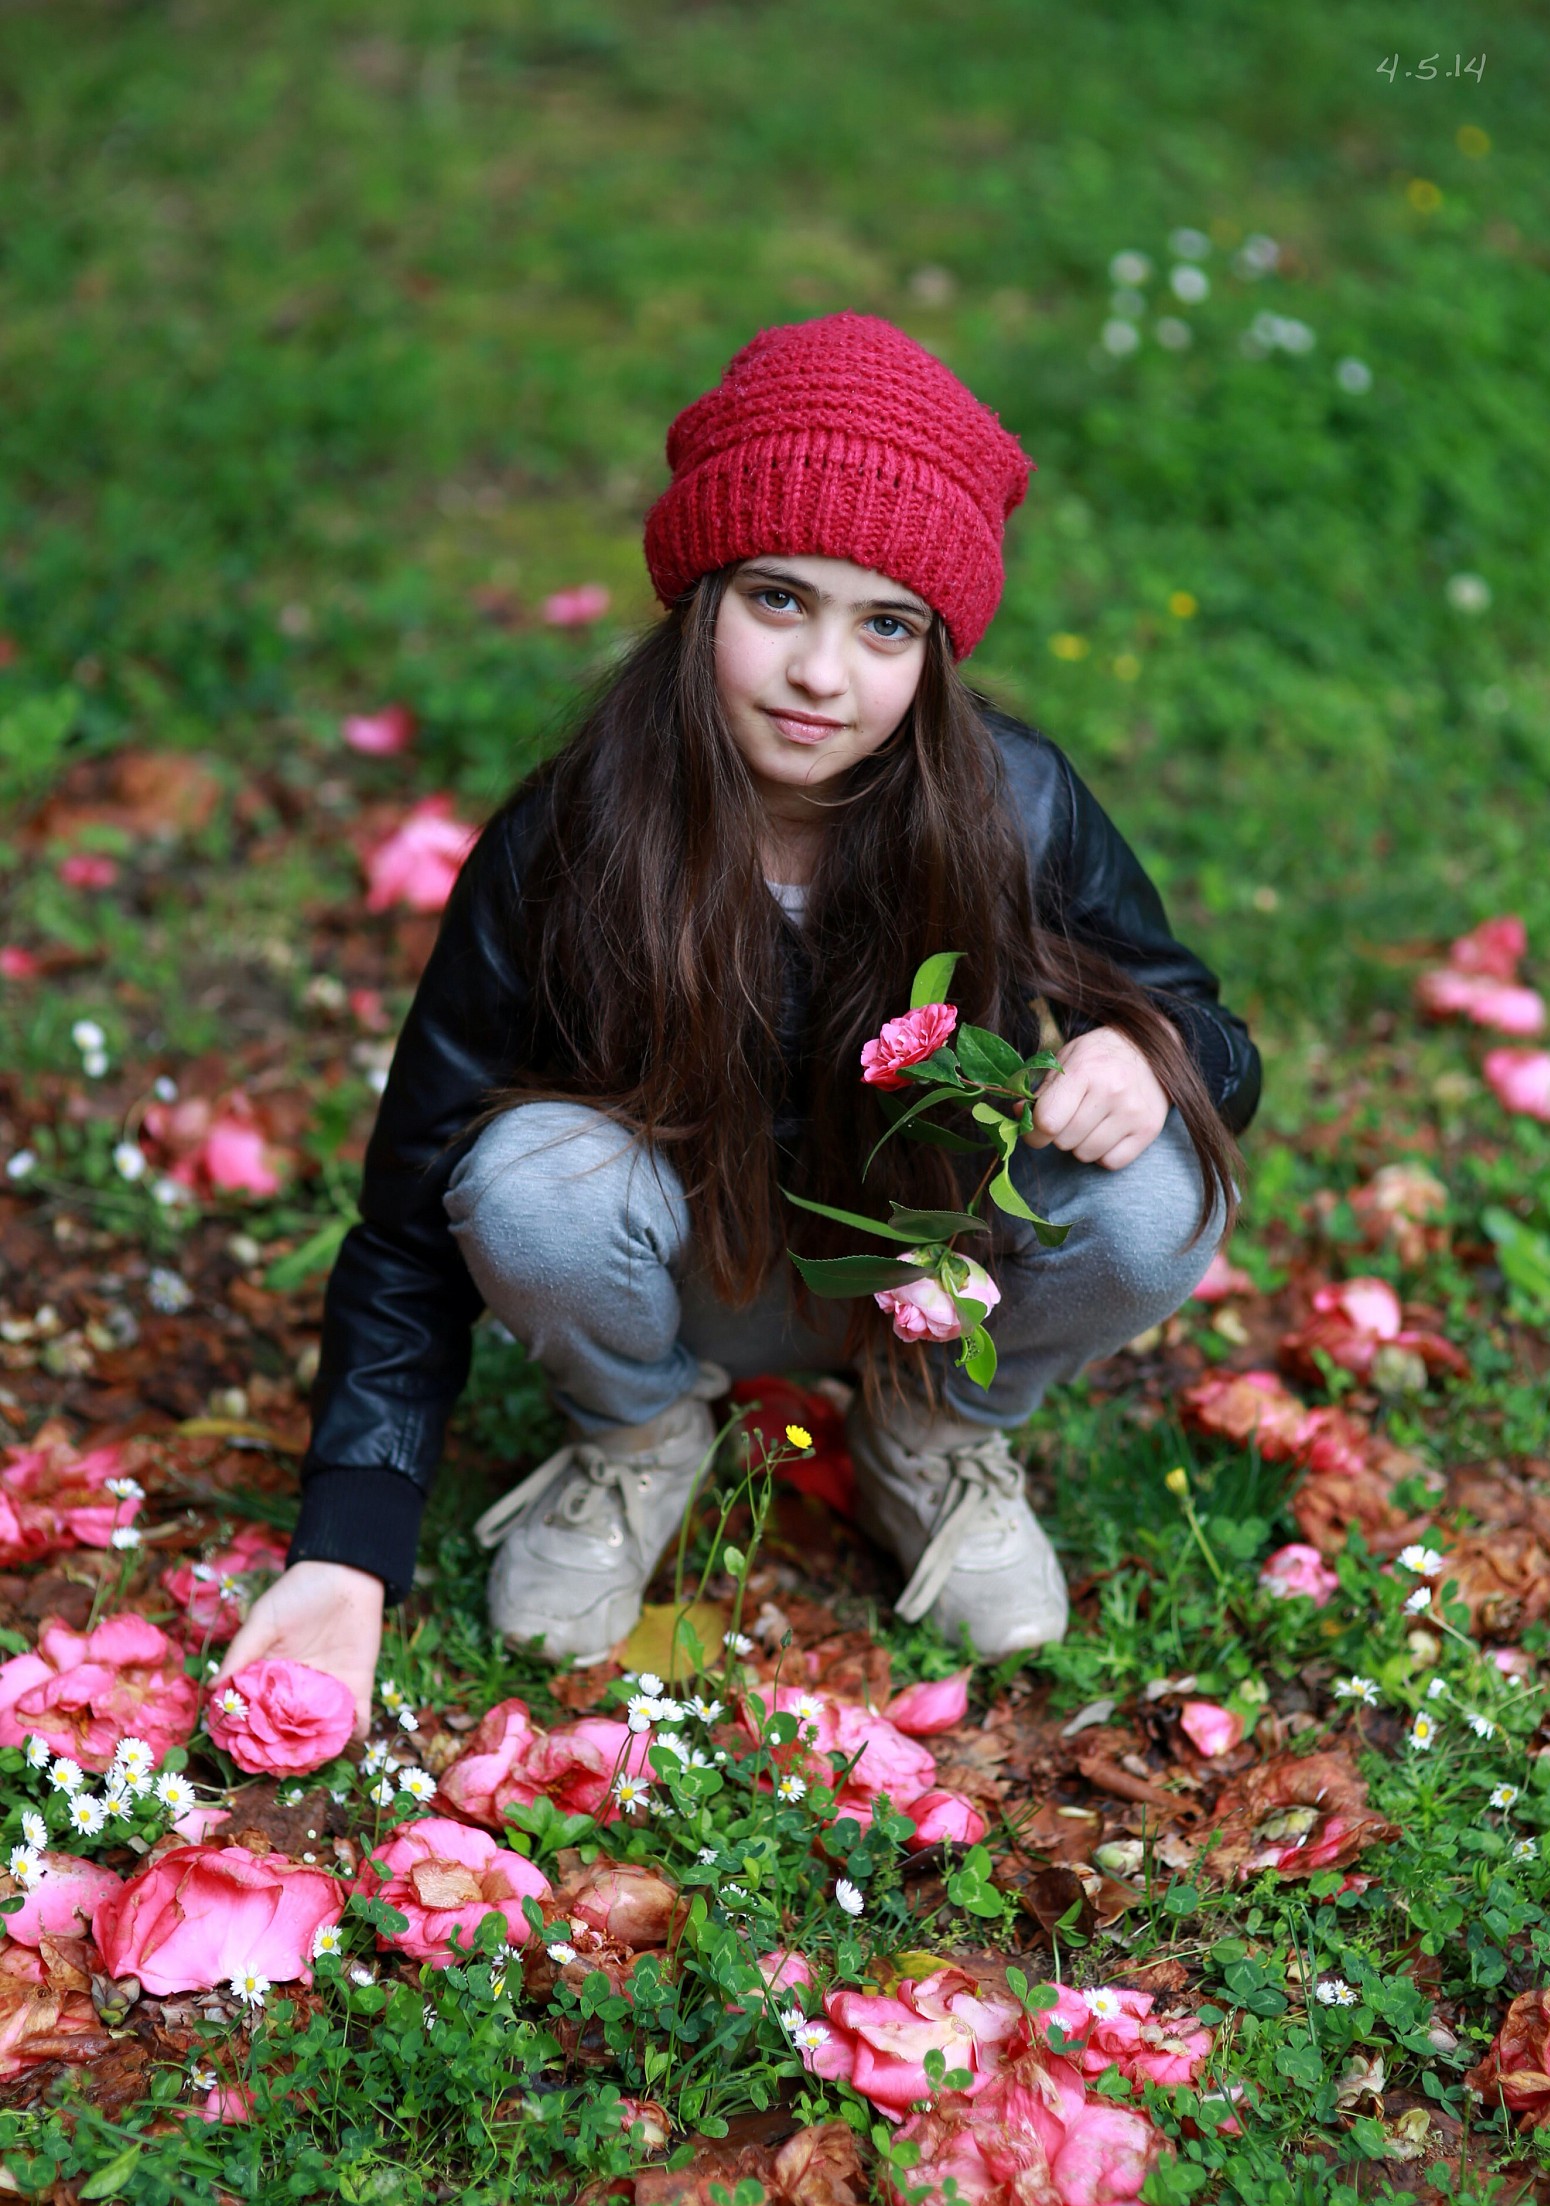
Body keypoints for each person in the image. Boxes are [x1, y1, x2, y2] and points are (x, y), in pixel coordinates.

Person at [222, 312, 1260, 1733]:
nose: (821, 673)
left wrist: (1151, 1052)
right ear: (698, 593)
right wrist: (350, 1538)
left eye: (883, 623)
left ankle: (933, 1430)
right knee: (525, 1183)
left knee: (1161, 1195)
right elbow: (413, 1206)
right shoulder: (570, 837)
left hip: (921, 1268)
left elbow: (1204, 1016)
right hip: (676, 1255)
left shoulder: (1014, 805)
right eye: (780, 599)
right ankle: (638, 1432)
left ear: (936, 646)